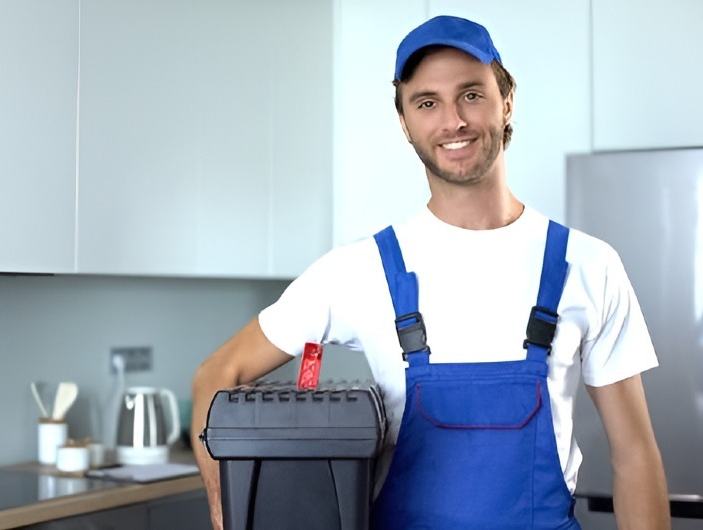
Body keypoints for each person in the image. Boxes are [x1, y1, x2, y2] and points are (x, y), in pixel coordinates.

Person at [192, 14, 670, 530]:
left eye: (471, 94)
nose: (452, 121)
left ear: (506, 101)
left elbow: (635, 457)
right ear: (404, 122)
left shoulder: (589, 265)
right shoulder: (358, 270)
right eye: (427, 103)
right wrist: (226, 513)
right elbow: (216, 376)